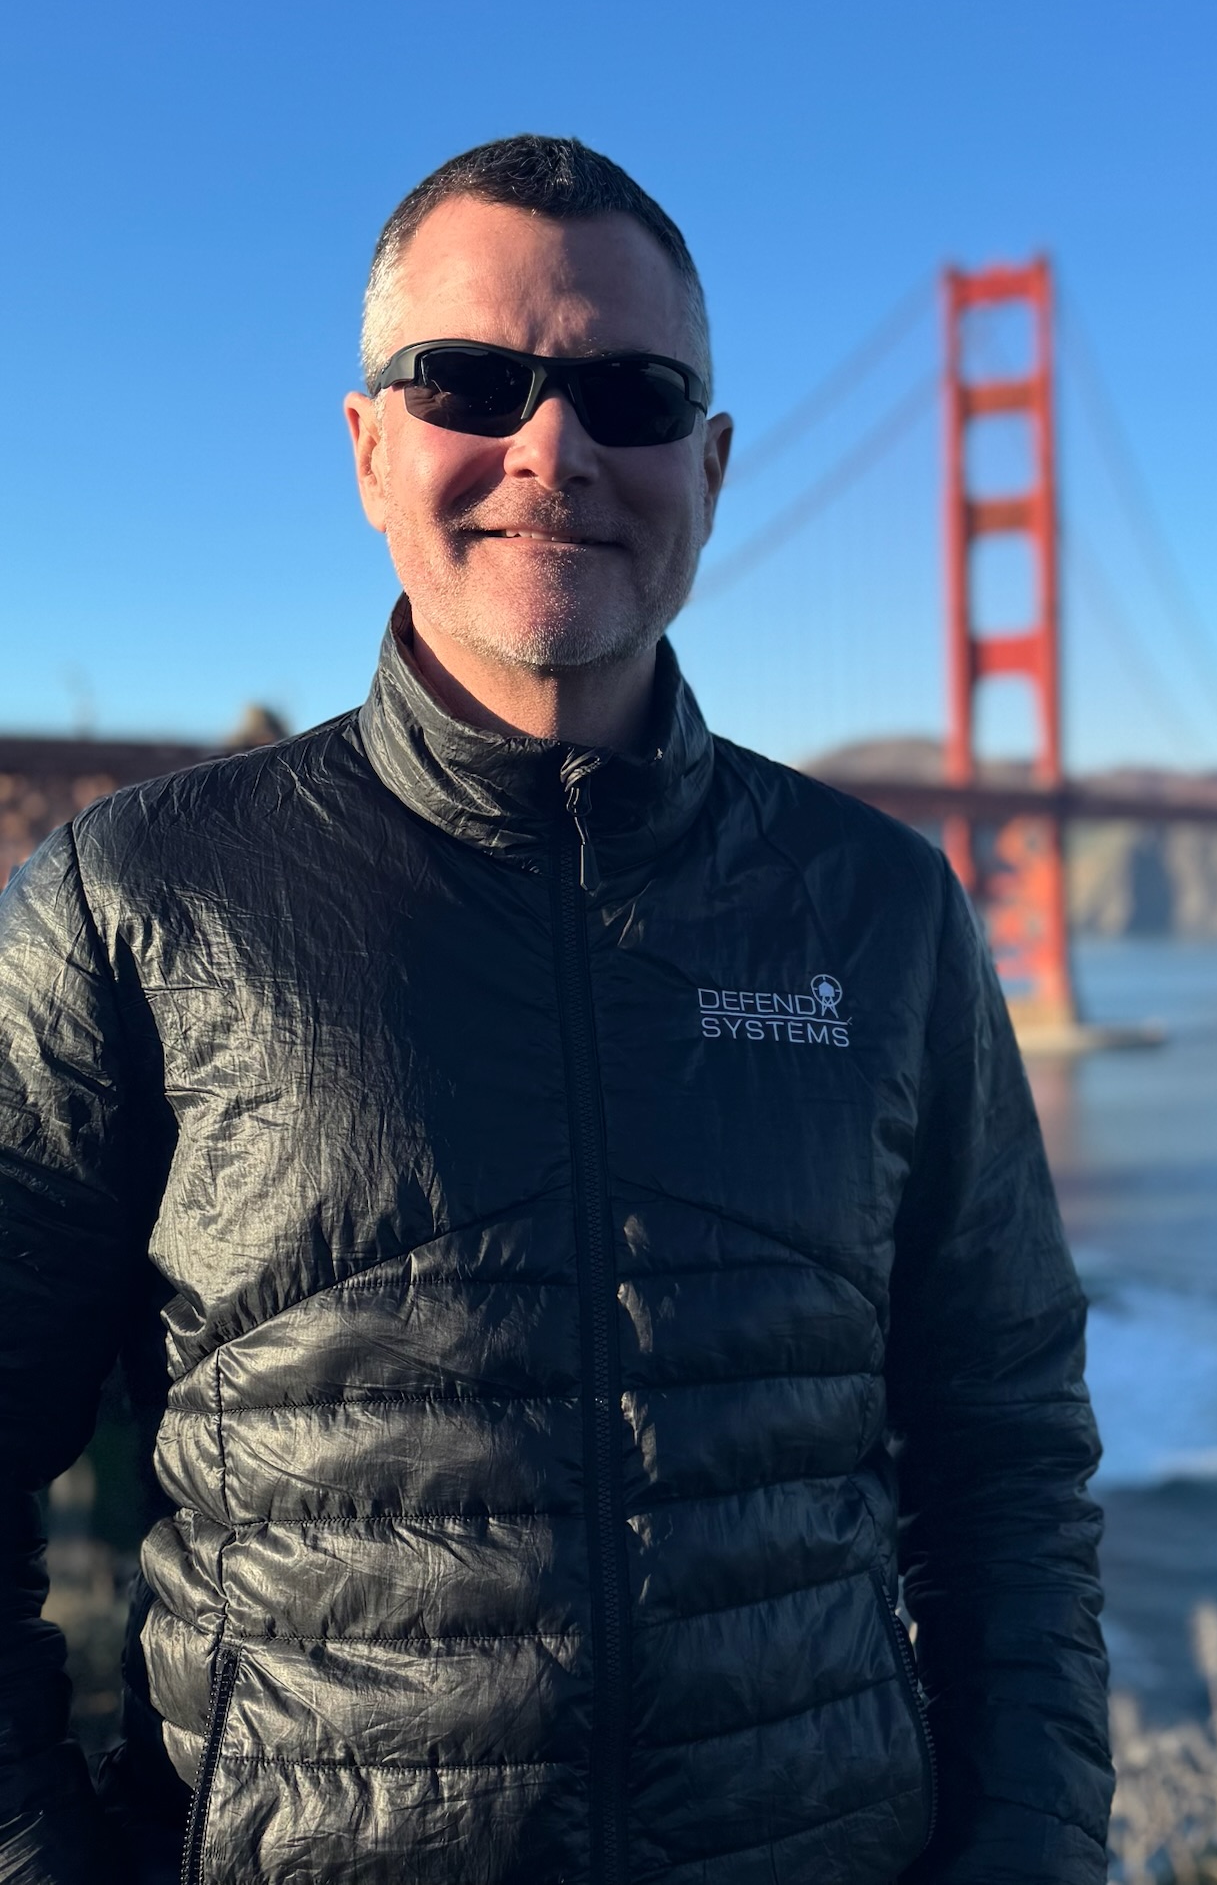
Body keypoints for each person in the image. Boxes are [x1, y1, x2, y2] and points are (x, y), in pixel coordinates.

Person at [0, 135, 1111, 1884]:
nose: (553, 448)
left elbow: (1011, 1464)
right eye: (468, 382)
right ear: (369, 446)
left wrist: (1030, 1852)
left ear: (712, 468)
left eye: (631, 395)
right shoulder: (134, 902)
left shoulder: (883, 913)